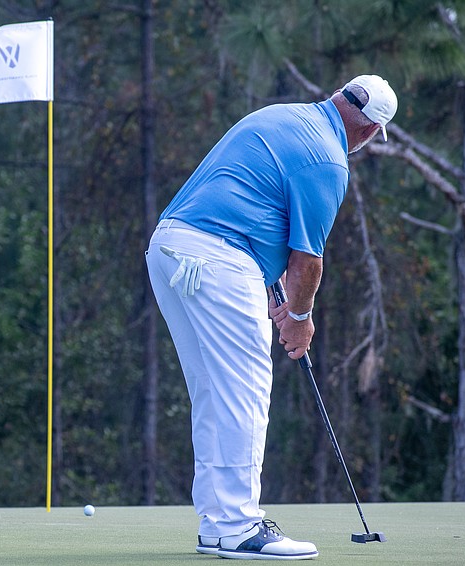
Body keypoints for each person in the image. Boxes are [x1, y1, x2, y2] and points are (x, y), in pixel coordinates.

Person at [145, 75, 397, 560]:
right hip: (218, 258)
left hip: (170, 248)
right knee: (244, 392)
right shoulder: (329, 159)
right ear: (367, 132)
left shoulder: (281, 115)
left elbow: (248, 200)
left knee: (214, 392)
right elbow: (308, 262)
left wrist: (269, 280)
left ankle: (219, 526)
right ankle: (239, 527)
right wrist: (299, 317)